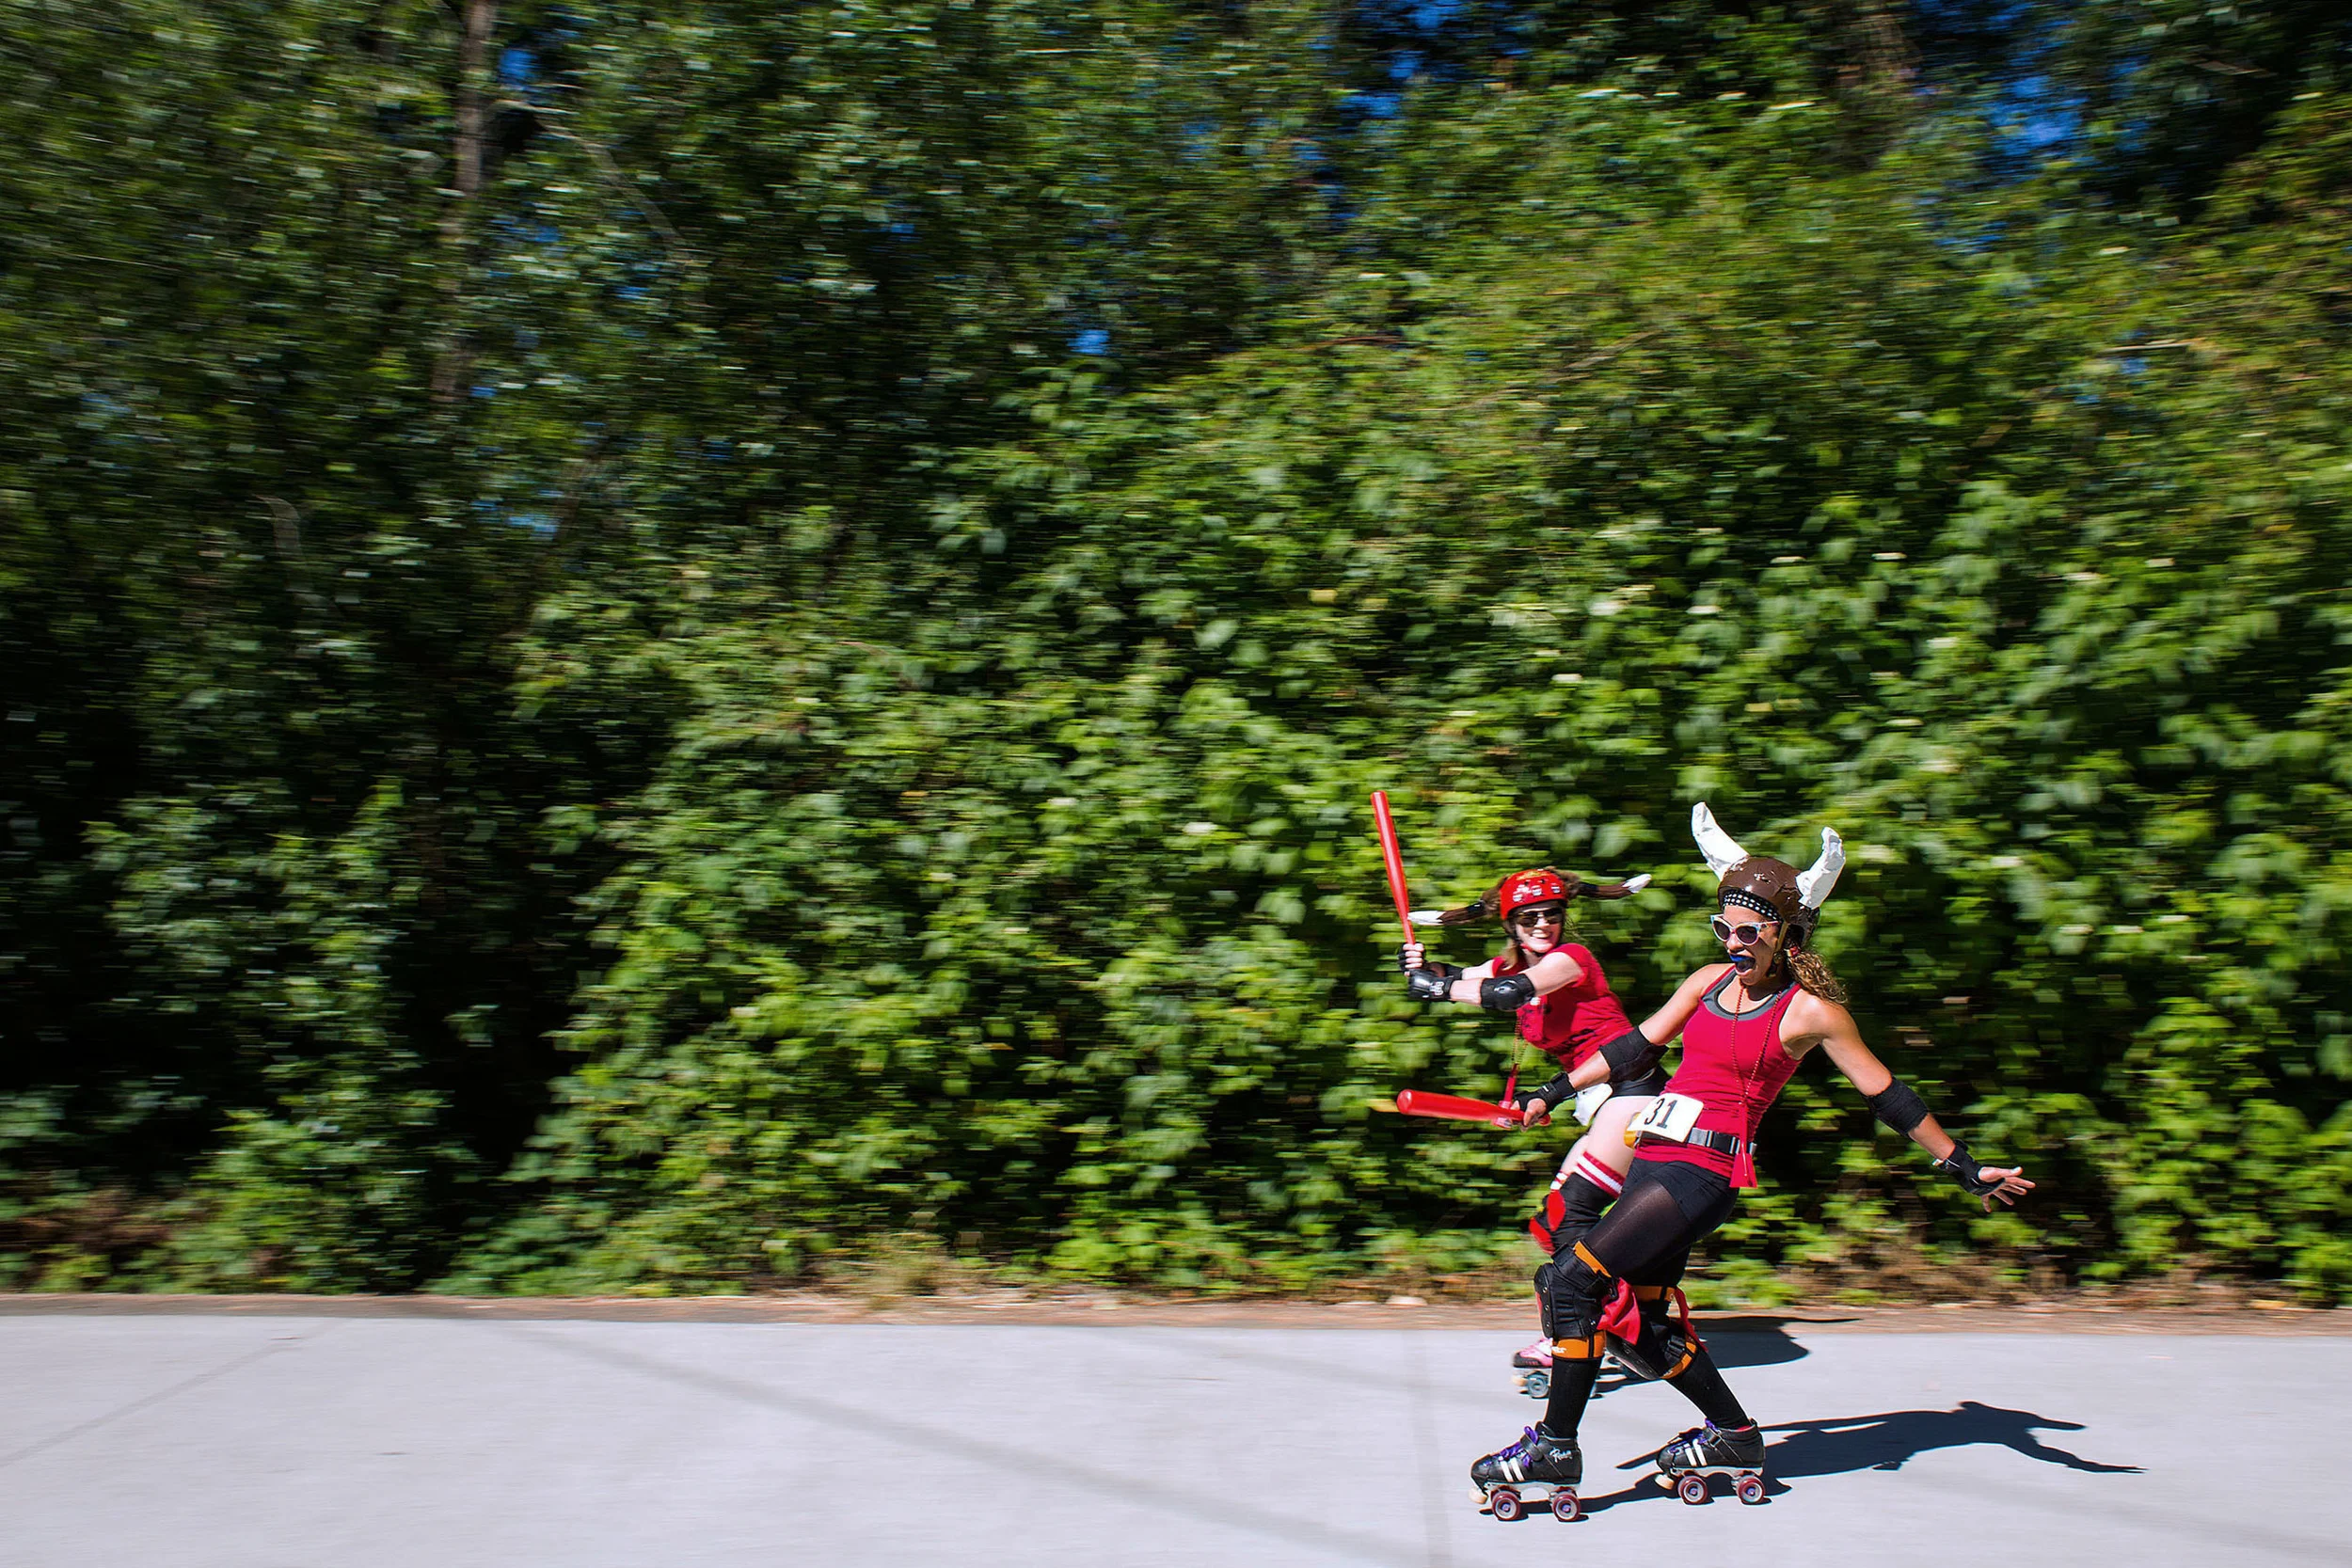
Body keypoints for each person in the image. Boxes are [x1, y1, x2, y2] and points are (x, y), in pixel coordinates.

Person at [1466, 805, 2033, 1514]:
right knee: (1643, 1320)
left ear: (1787, 934)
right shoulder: (1707, 982)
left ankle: (1555, 1446)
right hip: (1655, 1156)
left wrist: (1963, 1165)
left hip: (1702, 1174)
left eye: (1748, 932)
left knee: (1572, 1281)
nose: (1733, 943)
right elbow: (1635, 1047)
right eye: (1723, 928)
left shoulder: (1809, 1012)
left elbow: (1887, 1093)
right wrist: (1552, 1091)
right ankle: (1734, 1434)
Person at [1398, 865, 1666, 1378]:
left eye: (1552, 914)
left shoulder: (1571, 960)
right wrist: (1419, 968)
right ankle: (1616, 1318)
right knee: (1552, 1223)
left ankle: (1584, 1330)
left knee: (1572, 1211)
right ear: (1511, 924)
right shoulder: (1505, 962)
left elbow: (1506, 994)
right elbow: (1453, 979)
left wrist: (1435, 988)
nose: (1543, 924)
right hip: (1599, 1098)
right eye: (1529, 917)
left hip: (1636, 1092)